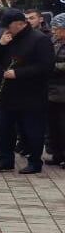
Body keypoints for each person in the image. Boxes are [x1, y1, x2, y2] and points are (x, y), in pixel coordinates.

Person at [0, 9, 55, 174]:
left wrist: (18, 73)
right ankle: (6, 160)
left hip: (31, 95)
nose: (6, 29)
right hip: (6, 94)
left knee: (32, 130)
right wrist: (0, 45)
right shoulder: (6, 38)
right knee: (3, 128)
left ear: (20, 24)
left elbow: (46, 67)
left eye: (8, 26)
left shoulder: (40, 40)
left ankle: (34, 162)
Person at [48, 13, 65, 167]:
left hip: (62, 92)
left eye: (57, 28)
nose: (54, 31)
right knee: (54, 126)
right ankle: (57, 155)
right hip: (52, 91)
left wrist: (50, 67)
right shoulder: (54, 42)